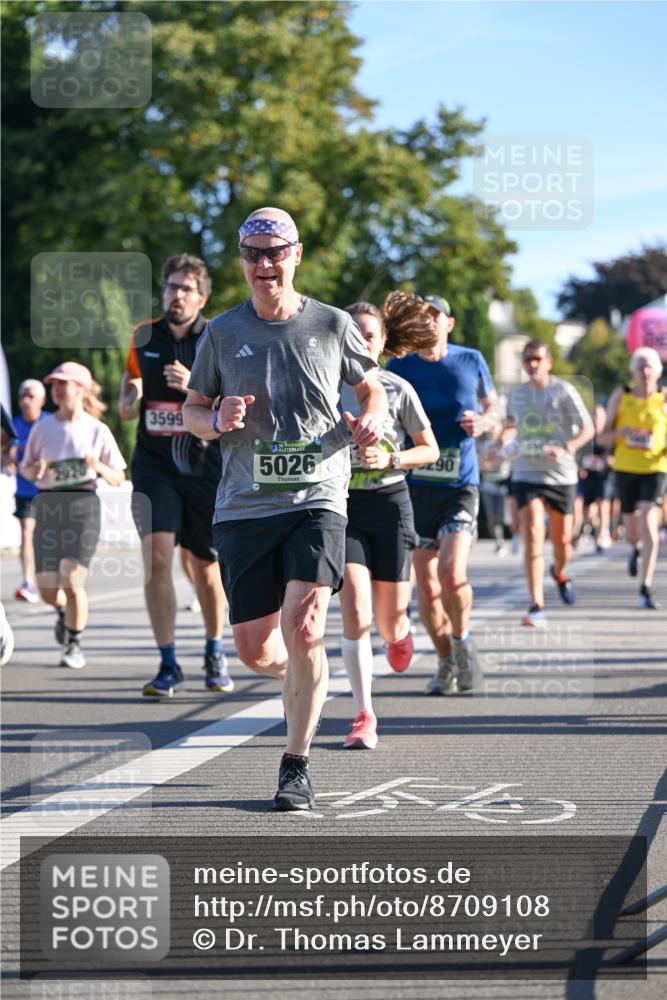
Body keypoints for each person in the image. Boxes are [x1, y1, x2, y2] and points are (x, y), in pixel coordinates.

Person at [184, 206, 387, 811]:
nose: (265, 264)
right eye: (254, 254)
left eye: (276, 252)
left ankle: (295, 763)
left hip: (318, 494)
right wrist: (213, 420)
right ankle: (305, 676)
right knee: (255, 650)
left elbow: (370, 384)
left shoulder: (331, 324)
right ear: (242, 261)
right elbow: (194, 409)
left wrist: (371, 416)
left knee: (305, 625)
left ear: (297, 254)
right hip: (244, 505)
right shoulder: (221, 332)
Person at [119, 254, 232, 697]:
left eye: (186, 288)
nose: (177, 294)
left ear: (201, 297)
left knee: (206, 568)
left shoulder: (217, 338)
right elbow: (133, 385)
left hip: (204, 466)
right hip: (154, 464)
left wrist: (192, 385)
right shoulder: (143, 335)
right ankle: (167, 663)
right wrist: (130, 398)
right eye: (170, 286)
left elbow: (235, 404)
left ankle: (214, 649)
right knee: (158, 559)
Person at [386, 293, 501, 696]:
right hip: (415, 487)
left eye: (435, 316)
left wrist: (485, 422)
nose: (428, 322)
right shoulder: (400, 363)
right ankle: (445, 661)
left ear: (449, 323)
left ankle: (463, 640)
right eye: (421, 316)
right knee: (427, 588)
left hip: (459, 484)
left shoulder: (471, 360)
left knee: (452, 573)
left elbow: (495, 407)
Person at [338, 301, 439, 749]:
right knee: (356, 609)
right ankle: (364, 714)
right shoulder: (325, 387)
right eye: (353, 334)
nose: (361, 341)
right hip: (342, 509)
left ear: (383, 344)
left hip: (391, 503)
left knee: (387, 617)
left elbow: (430, 450)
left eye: (369, 336)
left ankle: (401, 631)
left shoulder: (398, 389)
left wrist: (391, 458)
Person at [19, 362, 126, 668]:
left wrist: (99, 466)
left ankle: (74, 645)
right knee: (49, 589)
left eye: (62, 384)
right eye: (53, 384)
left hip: (83, 505)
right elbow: (26, 466)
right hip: (49, 504)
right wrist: (34, 469)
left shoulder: (97, 429)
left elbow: (118, 476)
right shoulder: (43, 427)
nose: (56, 389)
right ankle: (63, 614)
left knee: (71, 575)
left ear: (80, 388)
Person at [498, 340, 594, 627]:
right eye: (528, 359)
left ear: (549, 362)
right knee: (533, 532)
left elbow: (588, 428)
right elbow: (509, 428)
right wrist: (502, 447)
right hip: (526, 473)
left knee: (563, 542)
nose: (533, 364)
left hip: (561, 475)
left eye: (538, 359)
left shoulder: (563, 391)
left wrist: (567, 448)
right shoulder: (515, 394)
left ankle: (560, 572)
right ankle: (536, 603)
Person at [600, 347, 667, 609]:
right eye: (640, 366)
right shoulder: (622, 395)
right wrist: (622, 433)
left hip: (656, 468)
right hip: (626, 468)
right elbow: (603, 436)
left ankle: (645, 587)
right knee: (632, 530)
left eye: (650, 366)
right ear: (633, 371)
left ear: (658, 371)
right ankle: (635, 549)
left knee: (650, 522)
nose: (646, 371)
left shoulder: (663, 399)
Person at [10, 380, 48, 603]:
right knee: (26, 532)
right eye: (22, 396)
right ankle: (28, 582)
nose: (26, 400)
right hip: (25, 490)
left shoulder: (51, 424)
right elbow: (5, 455)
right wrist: (8, 457)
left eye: (31, 396)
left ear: (42, 401)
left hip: (50, 490)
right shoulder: (13, 426)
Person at [573, 404, 612, 551]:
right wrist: (579, 467)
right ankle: (582, 531)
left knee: (603, 503)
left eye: (599, 416)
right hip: (586, 477)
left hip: (603, 476)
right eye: (593, 416)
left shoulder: (608, 436)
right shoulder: (585, 435)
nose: (596, 419)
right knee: (586, 511)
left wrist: (608, 461)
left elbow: (616, 456)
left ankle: (603, 533)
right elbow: (576, 455)